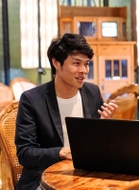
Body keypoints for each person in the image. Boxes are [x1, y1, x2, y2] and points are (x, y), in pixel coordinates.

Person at [15, 33, 118, 190]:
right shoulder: (32, 100)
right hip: (44, 180)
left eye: (87, 64)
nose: (84, 70)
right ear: (56, 63)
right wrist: (61, 152)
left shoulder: (92, 92)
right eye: (76, 63)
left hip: (85, 177)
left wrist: (105, 126)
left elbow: (97, 147)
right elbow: (25, 153)